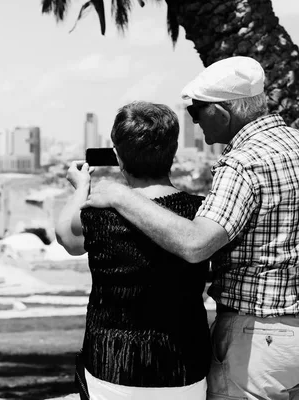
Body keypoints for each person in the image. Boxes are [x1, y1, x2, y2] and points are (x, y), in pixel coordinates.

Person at [82, 56, 299, 399]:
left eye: (197, 112)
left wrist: (120, 196)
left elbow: (197, 243)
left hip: (259, 335)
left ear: (222, 113)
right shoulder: (295, 144)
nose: (195, 123)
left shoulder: (244, 161)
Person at [56, 101, 210, 400]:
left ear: (117, 154)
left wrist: (80, 188)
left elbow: (67, 238)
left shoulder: (101, 214)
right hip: (184, 364)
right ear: (173, 149)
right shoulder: (200, 213)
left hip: (112, 364)